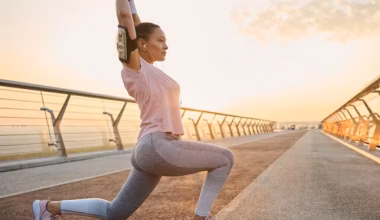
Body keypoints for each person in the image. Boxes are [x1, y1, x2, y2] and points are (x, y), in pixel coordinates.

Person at [32, 0, 234, 219]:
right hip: (157, 146)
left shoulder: (148, 69)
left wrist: (132, 4)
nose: (166, 45)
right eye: (161, 40)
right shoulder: (134, 68)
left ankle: (48, 207)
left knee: (115, 212)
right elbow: (125, 20)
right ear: (143, 44)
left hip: (147, 150)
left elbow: (136, 23)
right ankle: (201, 217)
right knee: (225, 158)